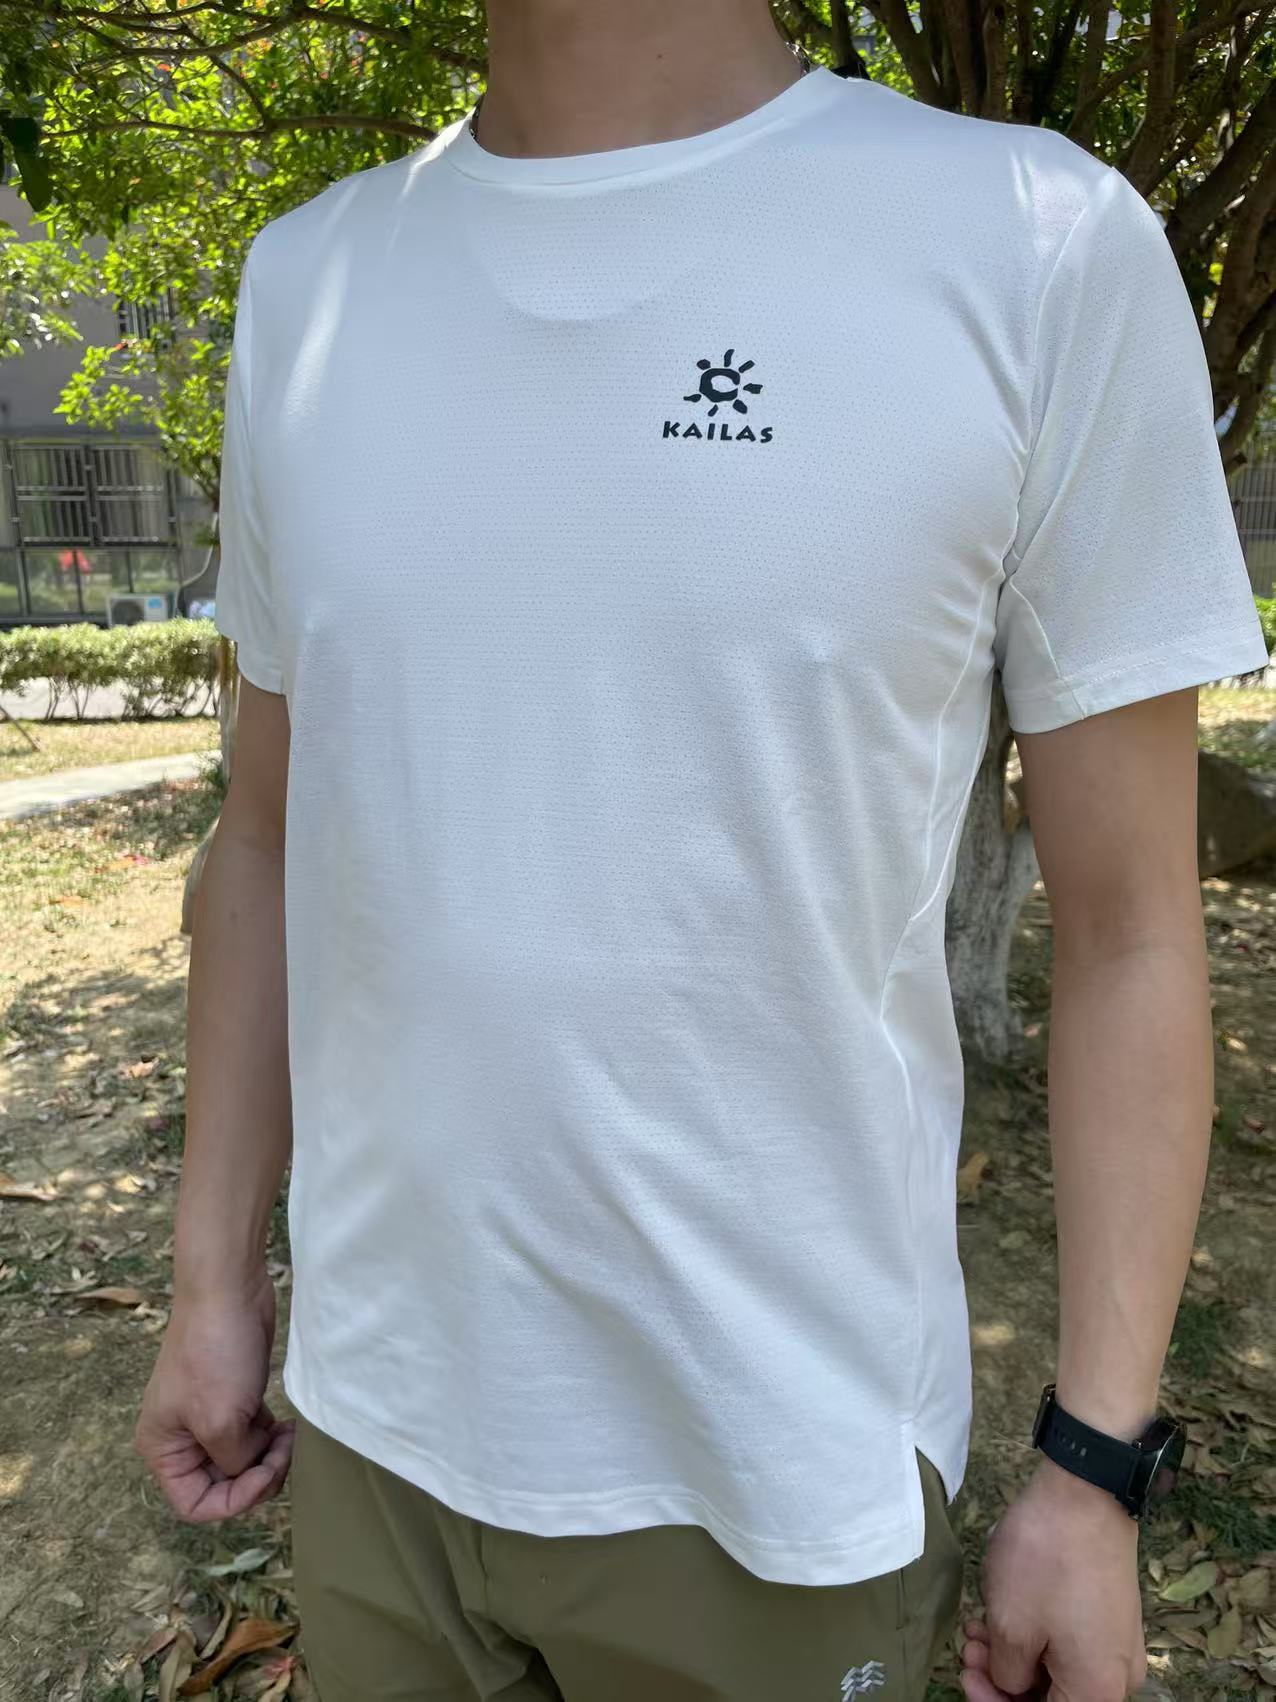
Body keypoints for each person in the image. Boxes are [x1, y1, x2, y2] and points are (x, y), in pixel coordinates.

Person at [134, 3, 1271, 1699]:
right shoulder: (309, 284)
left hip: (777, 1480)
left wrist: (1094, 1466)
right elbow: (268, 833)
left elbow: (1131, 932)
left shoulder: (1034, 244)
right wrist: (212, 1275)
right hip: (378, 1432)